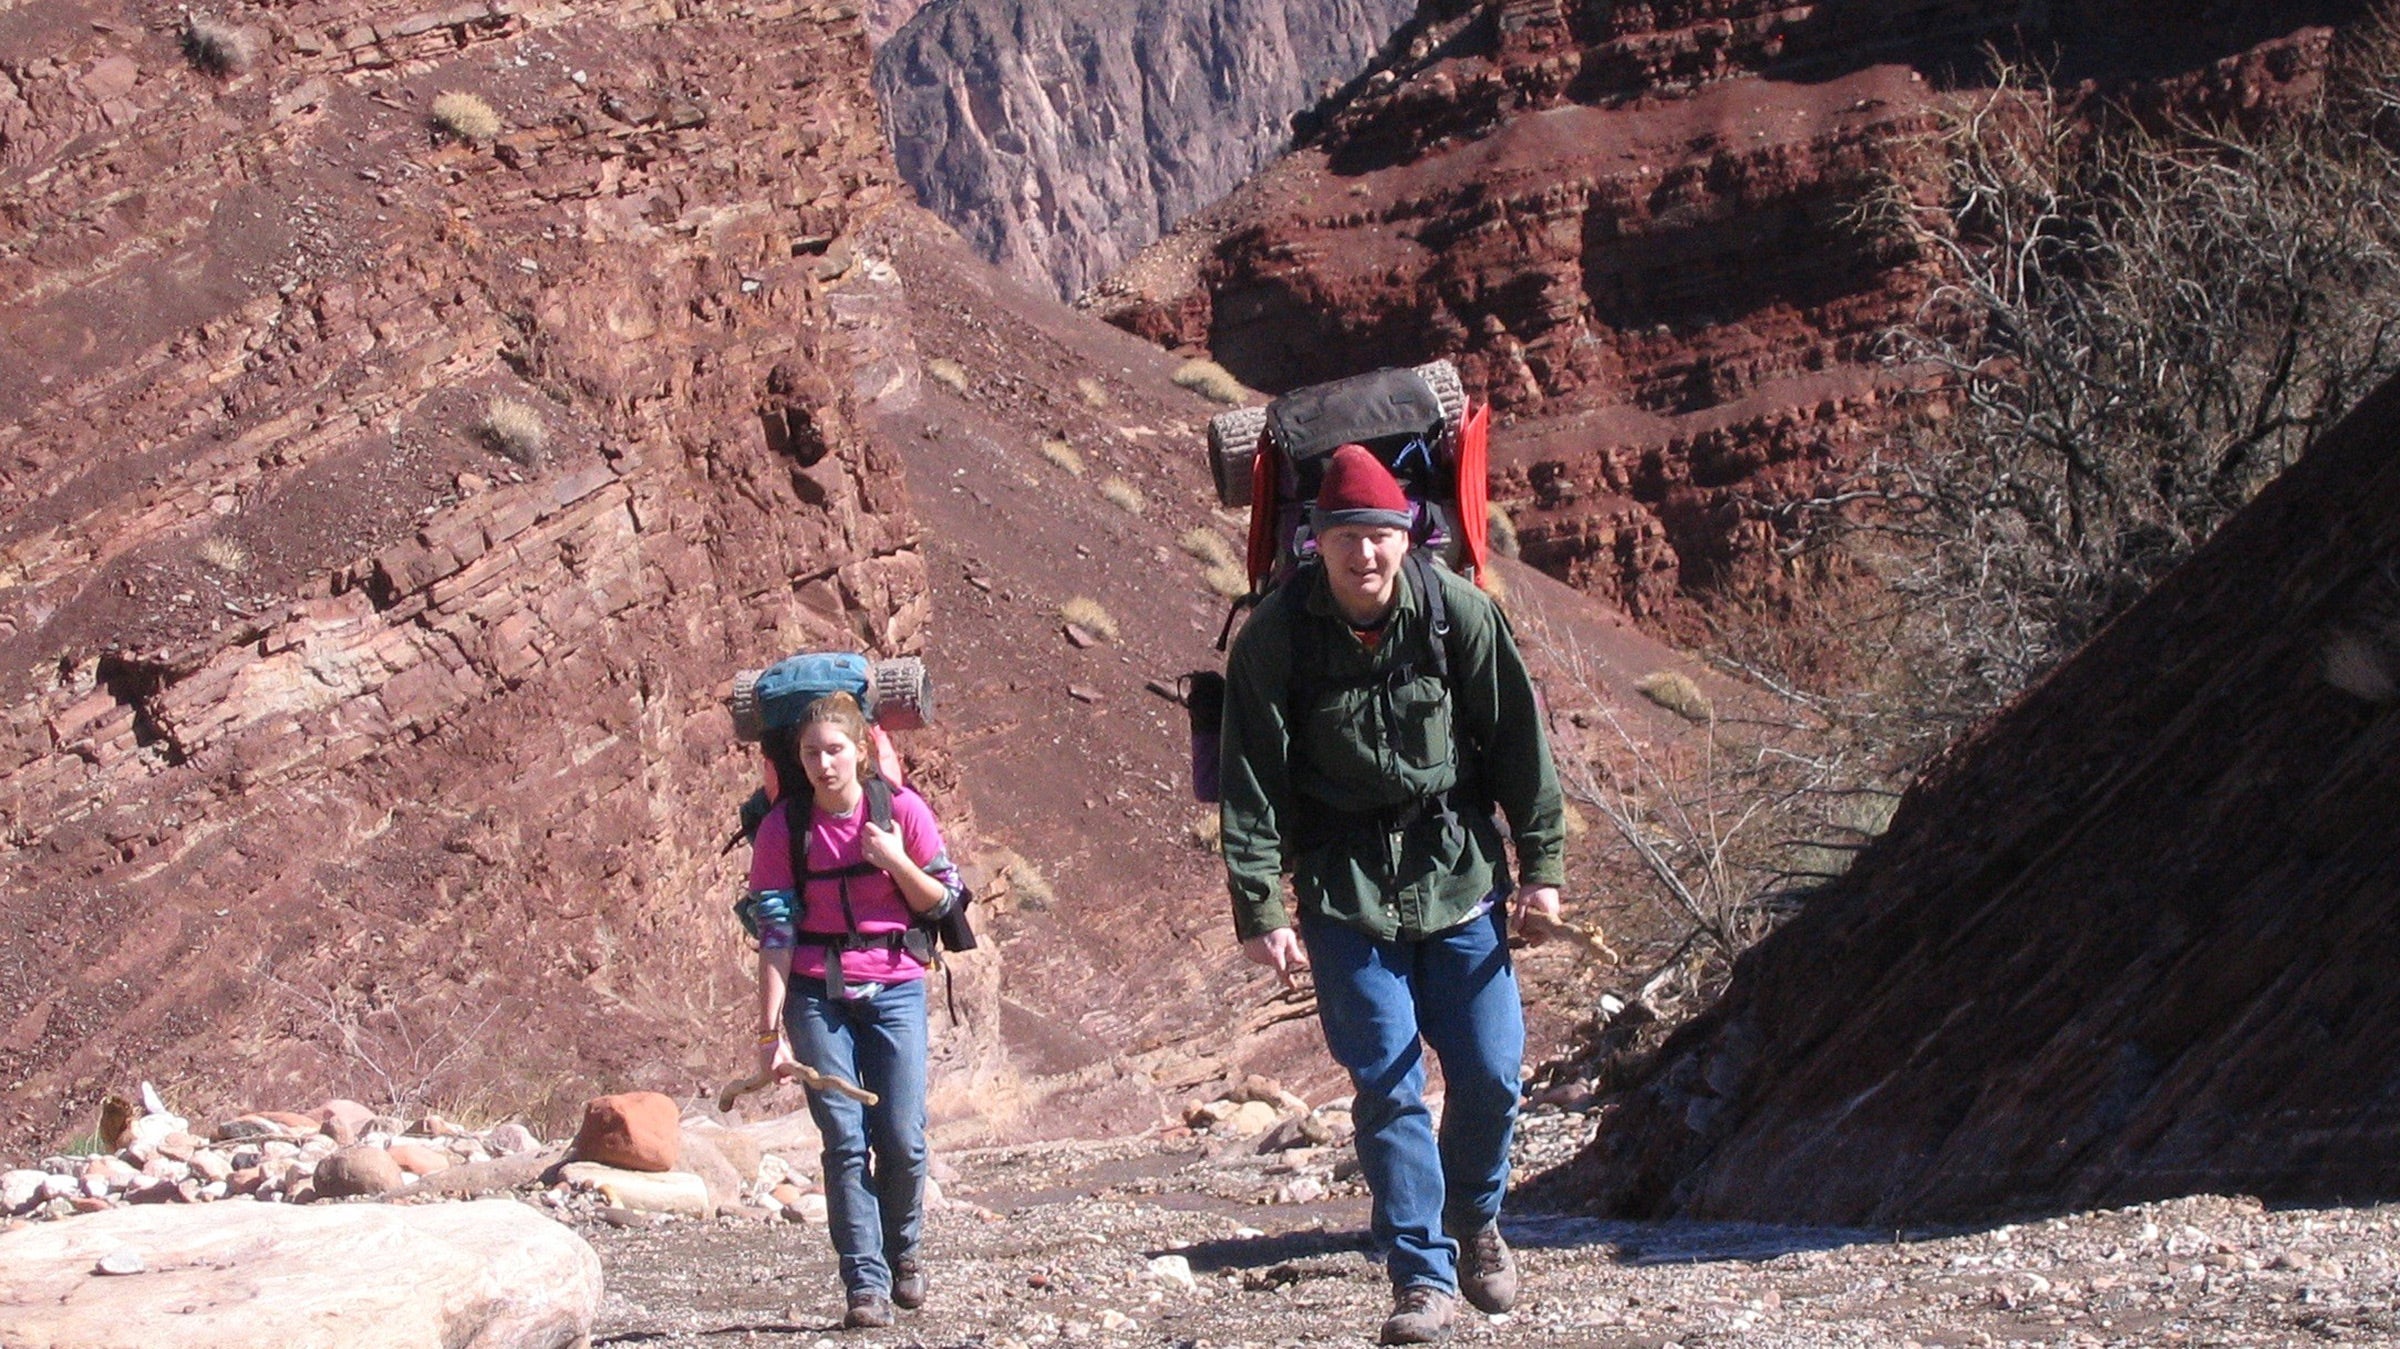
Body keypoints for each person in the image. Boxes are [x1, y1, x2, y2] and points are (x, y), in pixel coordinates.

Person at [1217, 445, 1566, 1345]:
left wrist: (1543, 868)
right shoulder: (1277, 637)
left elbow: (1520, 746)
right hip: (1345, 891)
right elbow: (1250, 779)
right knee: (1388, 1081)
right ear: (1315, 541)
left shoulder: (1458, 614)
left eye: (1378, 535)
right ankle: (1421, 1278)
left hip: (1459, 873)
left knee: (1492, 1070)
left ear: (1407, 534)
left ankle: (1474, 1218)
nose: (1363, 553)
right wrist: (1261, 906)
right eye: (1345, 537)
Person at [745, 692, 965, 1329]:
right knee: (844, 1140)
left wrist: (894, 859)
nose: (823, 764)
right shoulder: (783, 829)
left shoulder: (902, 810)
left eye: (835, 750)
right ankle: (865, 1285)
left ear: (862, 751)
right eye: (811, 753)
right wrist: (768, 1033)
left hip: (895, 987)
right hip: (816, 994)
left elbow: (945, 902)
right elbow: (775, 935)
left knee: (903, 1138)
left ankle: (904, 1254)